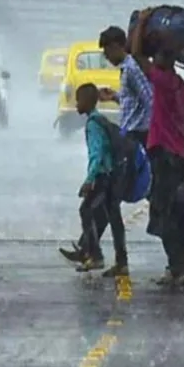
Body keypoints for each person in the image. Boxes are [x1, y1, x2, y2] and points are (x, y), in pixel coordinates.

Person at [59, 25, 152, 267]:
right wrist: (116, 97)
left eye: (107, 52)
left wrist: (136, 131)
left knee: (110, 203)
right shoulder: (126, 71)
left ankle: (102, 255)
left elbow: (149, 100)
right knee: (107, 203)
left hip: (132, 142)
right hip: (127, 139)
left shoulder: (131, 69)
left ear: (117, 46)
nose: (106, 58)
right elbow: (134, 101)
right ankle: (90, 249)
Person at [130, 8, 184, 287]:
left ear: (164, 61)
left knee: (163, 210)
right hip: (179, 155)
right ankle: (183, 254)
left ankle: (177, 264)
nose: (153, 59)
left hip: (165, 156)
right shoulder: (183, 87)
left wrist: (143, 21)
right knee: (171, 209)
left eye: (157, 56)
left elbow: (135, 56)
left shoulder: (163, 81)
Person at [74, 83, 128, 277]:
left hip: (103, 176)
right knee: (114, 217)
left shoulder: (93, 124)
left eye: (78, 100)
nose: (75, 104)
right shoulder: (101, 120)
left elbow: (97, 155)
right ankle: (121, 261)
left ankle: (95, 255)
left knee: (86, 210)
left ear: (88, 102)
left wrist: (89, 180)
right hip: (113, 174)